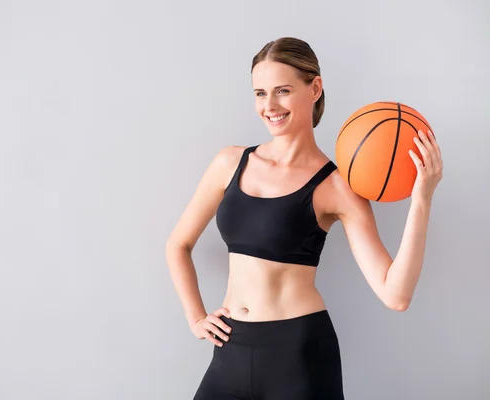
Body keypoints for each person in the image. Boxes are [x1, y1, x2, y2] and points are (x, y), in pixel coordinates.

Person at [165, 37, 443, 400]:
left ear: (315, 88)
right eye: (260, 93)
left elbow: (396, 294)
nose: (270, 106)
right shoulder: (229, 162)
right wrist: (196, 318)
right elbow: (178, 244)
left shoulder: (338, 187)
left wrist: (421, 198)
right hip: (229, 349)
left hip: (298, 357)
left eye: (282, 91)